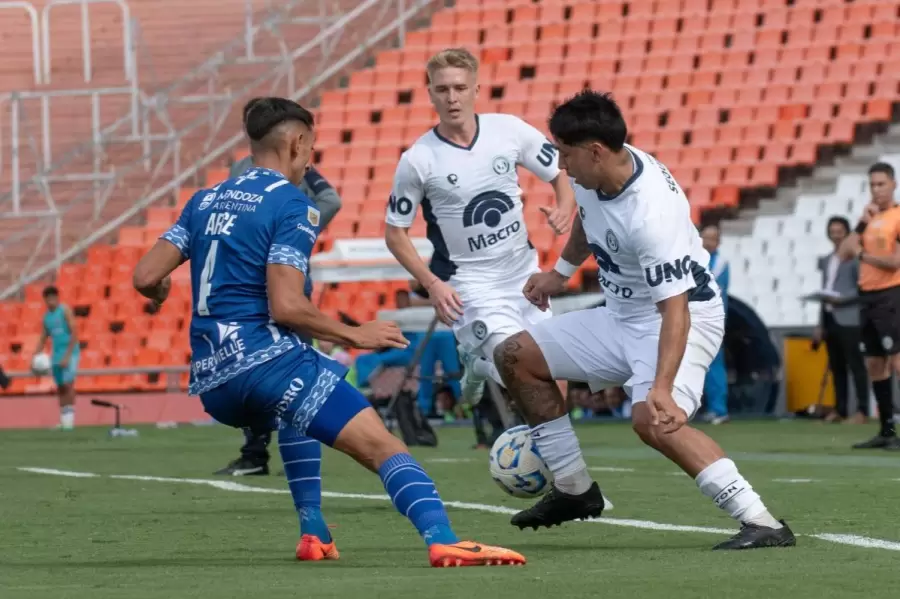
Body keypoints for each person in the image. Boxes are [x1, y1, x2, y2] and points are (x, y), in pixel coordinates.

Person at [132, 96, 524, 567]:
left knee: (296, 413)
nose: (310, 159)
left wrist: (157, 293)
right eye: (311, 149)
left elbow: (143, 276)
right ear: (297, 144)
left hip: (214, 383)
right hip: (265, 362)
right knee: (384, 446)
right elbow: (287, 305)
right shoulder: (292, 206)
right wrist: (355, 335)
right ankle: (442, 538)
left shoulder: (204, 200)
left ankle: (313, 533)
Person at [494, 91, 796, 551]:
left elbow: (674, 308)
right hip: (622, 314)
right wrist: (559, 273)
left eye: (566, 154)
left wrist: (660, 386)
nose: (561, 164)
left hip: (684, 317)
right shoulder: (594, 174)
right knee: (514, 355)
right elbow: (586, 221)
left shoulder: (650, 214)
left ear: (595, 151)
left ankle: (763, 521)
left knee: (652, 419)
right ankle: (576, 490)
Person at [384, 47, 576, 409]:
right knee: (527, 370)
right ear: (430, 93)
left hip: (523, 273)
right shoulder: (418, 160)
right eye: (442, 90)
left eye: (459, 87)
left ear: (476, 89)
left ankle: (484, 369)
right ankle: (487, 365)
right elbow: (395, 233)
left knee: (556, 379)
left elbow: (560, 171)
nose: (452, 97)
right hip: (471, 284)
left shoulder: (508, 130)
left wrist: (565, 206)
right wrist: (433, 284)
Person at [215, 105, 344, 477]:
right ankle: (284, 449)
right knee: (289, 361)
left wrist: (300, 229)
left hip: (249, 280)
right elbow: (329, 201)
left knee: (257, 362)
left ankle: (257, 452)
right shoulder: (287, 168)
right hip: (285, 275)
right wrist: (299, 233)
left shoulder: (241, 171)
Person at [840, 162, 900, 450]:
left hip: (893, 294)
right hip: (869, 296)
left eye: (881, 184)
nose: (876, 190)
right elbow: (843, 253)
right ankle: (887, 431)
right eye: (872, 185)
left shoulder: (897, 217)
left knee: (898, 362)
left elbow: (895, 263)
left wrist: (862, 253)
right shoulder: (870, 219)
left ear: (893, 184)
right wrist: (861, 224)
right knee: (875, 364)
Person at [813, 216, 868, 424]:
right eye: (832, 231)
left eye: (839, 231)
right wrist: (820, 322)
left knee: (856, 365)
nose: (836, 235)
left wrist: (841, 300)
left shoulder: (854, 260)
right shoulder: (827, 260)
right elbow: (825, 290)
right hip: (829, 317)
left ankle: (862, 410)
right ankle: (841, 409)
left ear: (847, 233)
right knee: (836, 366)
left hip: (849, 317)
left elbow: (862, 288)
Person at [33, 286, 80, 430]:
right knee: (60, 387)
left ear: (57, 298)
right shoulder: (47, 317)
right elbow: (43, 338)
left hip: (70, 353)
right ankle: (64, 420)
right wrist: (35, 357)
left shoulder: (64, 311)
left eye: (53, 298)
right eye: (48, 299)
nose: (51, 301)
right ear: (45, 300)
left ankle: (70, 421)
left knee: (68, 384)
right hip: (56, 354)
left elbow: (75, 333)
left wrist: (67, 355)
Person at [700, 224, 730, 424]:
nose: (708, 242)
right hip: (694, 318)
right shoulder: (695, 258)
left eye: (712, 238)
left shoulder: (719, 262)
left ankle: (719, 409)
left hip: (711, 319)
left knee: (713, 363)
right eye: (705, 237)